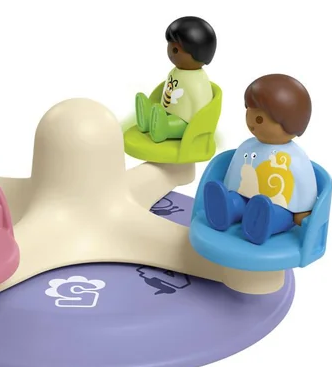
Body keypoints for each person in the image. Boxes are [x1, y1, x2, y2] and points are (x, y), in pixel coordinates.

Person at [203, 74, 317, 245]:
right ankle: (227, 208)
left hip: (281, 208)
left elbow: (305, 185)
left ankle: (262, 225)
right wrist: (228, 191)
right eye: (248, 113)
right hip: (245, 196)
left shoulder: (296, 157)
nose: (251, 123)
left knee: (275, 215)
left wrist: (303, 211)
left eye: (259, 119)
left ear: (289, 123)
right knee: (236, 201)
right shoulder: (247, 147)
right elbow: (234, 173)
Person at [136, 16, 217, 142]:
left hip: (185, 122)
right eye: (170, 46)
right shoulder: (174, 72)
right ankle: (148, 120)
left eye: (175, 49)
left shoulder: (197, 80)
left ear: (198, 54)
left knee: (169, 124)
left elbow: (200, 106)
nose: (170, 52)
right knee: (159, 114)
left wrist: (197, 125)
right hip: (165, 112)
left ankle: (163, 129)